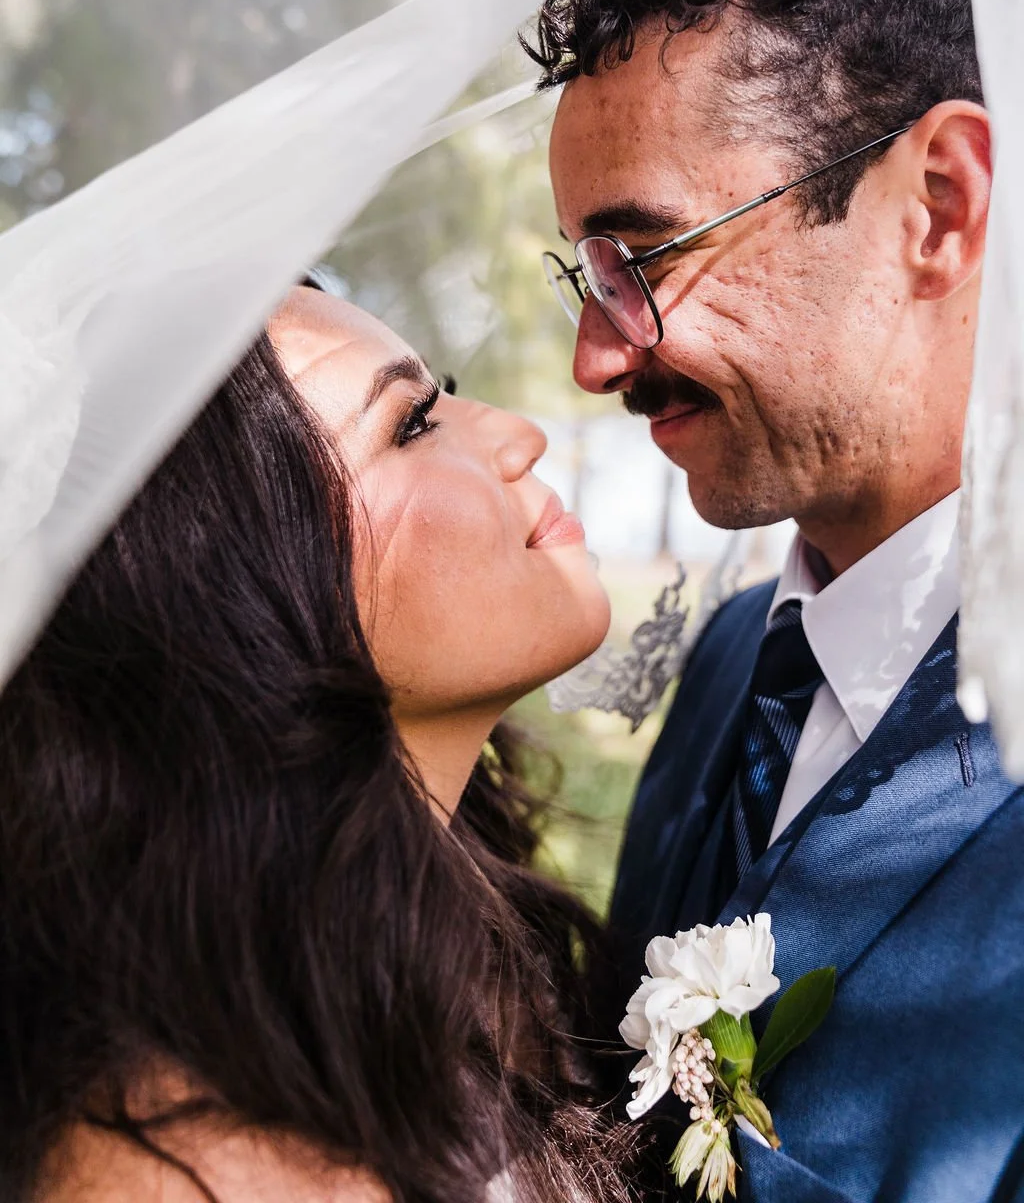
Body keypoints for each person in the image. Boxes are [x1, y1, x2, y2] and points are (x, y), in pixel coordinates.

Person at [529, 0, 1024, 1201]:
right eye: (589, 281)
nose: (596, 356)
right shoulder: (730, 666)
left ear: (938, 205)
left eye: (647, 257)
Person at [0, 284, 635, 1203]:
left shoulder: (470, 950)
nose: (518, 433)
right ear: (233, 604)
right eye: (413, 423)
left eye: (444, 391)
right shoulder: (187, 1163)